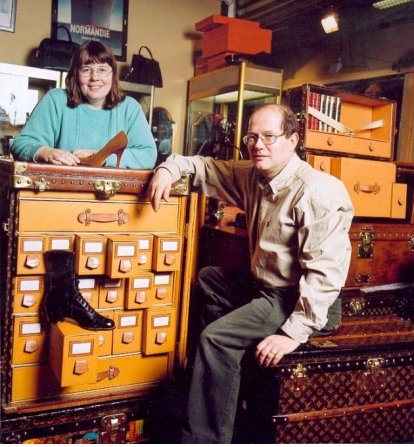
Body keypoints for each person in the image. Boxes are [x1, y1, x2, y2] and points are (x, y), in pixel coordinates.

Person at [147, 104, 354, 443]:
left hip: (301, 298)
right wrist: (168, 170)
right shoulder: (255, 175)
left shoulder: (317, 191)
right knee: (209, 278)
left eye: (270, 137)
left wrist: (292, 333)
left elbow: (326, 275)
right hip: (266, 287)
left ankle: (205, 437)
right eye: (252, 137)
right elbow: (203, 167)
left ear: (292, 140)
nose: (258, 145)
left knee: (215, 338)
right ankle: (229, 378)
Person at [11, 40, 157, 169]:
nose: (95, 77)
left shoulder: (129, 108)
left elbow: (148, 155)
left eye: (102, 70)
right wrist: (47, 152)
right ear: (75, 74)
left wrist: (101, 158)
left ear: (113, 76)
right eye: (86, 70)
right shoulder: (56, 100)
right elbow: (20, 143)